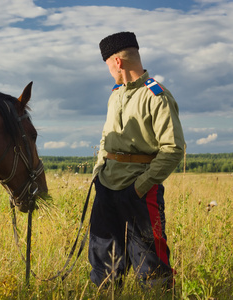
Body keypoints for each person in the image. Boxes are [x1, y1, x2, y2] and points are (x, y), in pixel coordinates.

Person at [89, 31, 185, 290]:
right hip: (105, 188)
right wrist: (99, 171)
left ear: (117, 63)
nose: (109, 72)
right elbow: (105, 137)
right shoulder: (115, 94)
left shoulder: (157, 96)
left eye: (108, 66)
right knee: (102, 263)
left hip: (139, 192)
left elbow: (173, 149)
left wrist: (140, 187)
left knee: (151, 267)